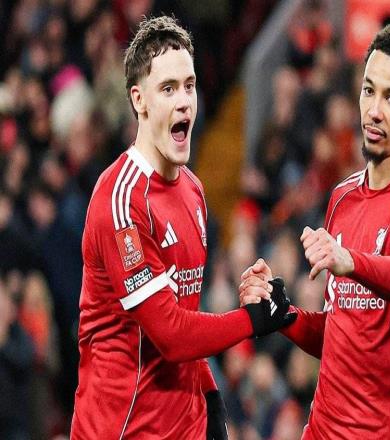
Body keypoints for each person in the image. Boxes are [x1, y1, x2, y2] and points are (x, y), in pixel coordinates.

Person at [70, 15, 295, 440]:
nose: (184, 101)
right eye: (168, 88)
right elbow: (171, 334)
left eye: (189, 86)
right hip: (124, 429)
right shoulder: (121, 201)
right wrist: (251, 320)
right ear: (139, 100)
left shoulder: (193, 190)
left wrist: (210, 395)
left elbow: (187, 314)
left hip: (183, 425)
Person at [240, 24, 390, 439]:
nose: (374, 110)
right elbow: (343, 332)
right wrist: (284, 315)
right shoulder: (341, 197)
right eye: (368, 91)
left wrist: (349, 260)